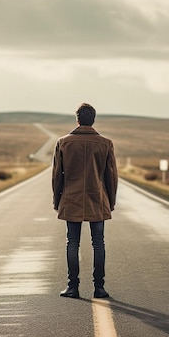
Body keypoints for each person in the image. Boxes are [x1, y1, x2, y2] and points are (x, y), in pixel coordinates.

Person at [52, 103, 118, 299]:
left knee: (72, 243)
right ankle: (99, 288)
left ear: (77, 119)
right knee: (98, 243)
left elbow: (57, 176)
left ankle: (73, 287)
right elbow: (111, 177)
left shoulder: (63, 143)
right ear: (93, 119)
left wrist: (57, 201)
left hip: (71, 199)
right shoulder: (106, 143)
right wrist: (110, 202)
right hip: (97, 199)